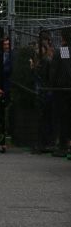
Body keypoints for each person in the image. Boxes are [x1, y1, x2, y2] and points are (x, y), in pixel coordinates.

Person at [49, 28, 71, 158]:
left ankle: (63, 145)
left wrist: (51, 86)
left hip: (62, 90)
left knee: (63, 118)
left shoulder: (64, 51)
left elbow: (55, 71)